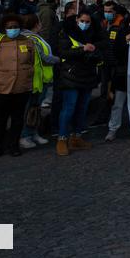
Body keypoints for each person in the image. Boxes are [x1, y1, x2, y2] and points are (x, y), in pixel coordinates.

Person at [0, 14, 44, 158]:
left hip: (22, 86)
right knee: (0, 119)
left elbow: (33, 62)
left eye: (15, 27)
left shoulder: (28, 42)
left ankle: (14, 146)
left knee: (17, 119)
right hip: (2, 86)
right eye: (9, 27)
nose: (13, 29)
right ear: (4, 28)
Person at [55, 12, 102, 156]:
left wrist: (95, 53)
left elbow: (102, 50)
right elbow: (63, 52)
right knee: (68, 109)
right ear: (77, 20)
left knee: (82, 109)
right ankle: (62, 139)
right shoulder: (66, 32)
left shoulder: (95, 34)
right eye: (82, 21)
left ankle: (76, 137)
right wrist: (83, 49)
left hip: (88, 76)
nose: (85, 24)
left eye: (88, 22)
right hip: (71, 76)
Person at [18, 15, 59, 150]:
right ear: (36, 24)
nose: (41, 24)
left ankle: (33, 133)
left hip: (41, 78)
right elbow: (43, 58)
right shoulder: (31, 38)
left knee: (35, 108)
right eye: (39, 22)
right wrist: (59, 59)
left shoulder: (34, 37)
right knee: (30, 108)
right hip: (35, 79)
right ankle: (25, 135)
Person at [105, 12, 130, 142]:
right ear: (129, 22)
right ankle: (113, 129)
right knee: (118, 104)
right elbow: (116, 52)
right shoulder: (121, 34)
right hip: (122, 75)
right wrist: (125, 41)